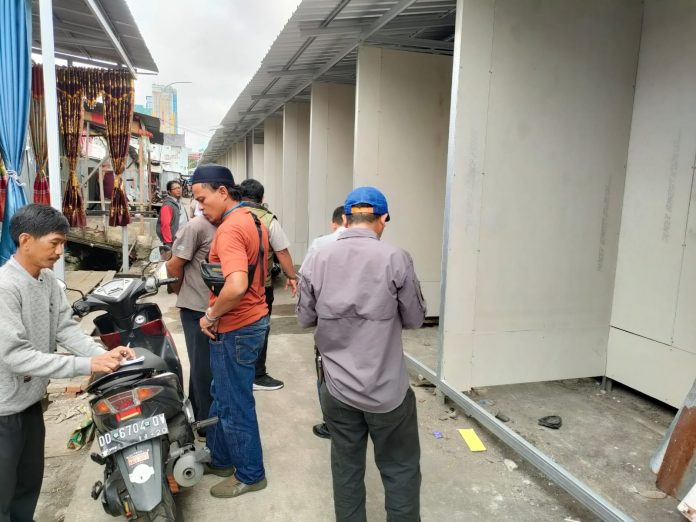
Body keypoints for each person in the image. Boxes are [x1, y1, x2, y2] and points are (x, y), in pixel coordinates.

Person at [297, 187, 426, 522]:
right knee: (400, 469)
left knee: (347, 469)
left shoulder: (318, 256)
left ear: (347, 218)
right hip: (388, 392)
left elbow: (305, 317)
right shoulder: (396, 257)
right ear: (383, 219)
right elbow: (414, 319)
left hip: (337, 389)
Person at [0, 204, 135, 522]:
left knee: (28, 482)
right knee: (3, 491)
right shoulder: (6, 288)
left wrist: (101, 354)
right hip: (4, 410)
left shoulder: (46, 281)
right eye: (54, 243)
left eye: (63, 243)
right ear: (25, 240)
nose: (61, 251)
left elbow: (65, 330)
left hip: (30, 402)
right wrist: (87, 366)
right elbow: (16, 357)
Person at [191, 164, 270, 499]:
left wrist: (210, 315)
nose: (199, 206)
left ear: (223, 192)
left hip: (236, 326)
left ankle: (250, 475)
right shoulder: (253, 219)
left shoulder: (229, 229)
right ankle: (222, 459)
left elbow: (236, 285)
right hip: (251, 320)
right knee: (221, 394)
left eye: (202, 198)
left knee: (234, 403)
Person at [239, 179, 298, 391]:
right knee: (260, 328)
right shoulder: (268, 219)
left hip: (229, 284)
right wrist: (291, 276)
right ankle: (257, 374)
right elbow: (281, 251)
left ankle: (237, 372)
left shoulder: (228, 216)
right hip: (260, 287)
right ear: (262, 198)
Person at [165, 214, 216, 435]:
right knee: (204, 370)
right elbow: (173, 266)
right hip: (196, 309)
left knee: (203, 368)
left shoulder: (224, 223)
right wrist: (183, 292)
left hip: (214, 309)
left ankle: (197, 415)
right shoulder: (195, 227)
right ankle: (205, 425)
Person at [298, 205, 345, 440]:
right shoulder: (386, 250)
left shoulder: (321, 244)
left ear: (335, 222)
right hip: (367, 327)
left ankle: (332, 423)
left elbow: (306, 281)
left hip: (329, 321)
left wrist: (308, 317)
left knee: (327, 371)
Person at [156, 180, 189, 247]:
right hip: (174, 241)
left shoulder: (178, 203)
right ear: (169, 192)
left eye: (179, 188)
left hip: (181, 239)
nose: (178, 190)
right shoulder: (167, 205)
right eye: (175, 189)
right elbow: (165, 225)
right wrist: (168, 243)